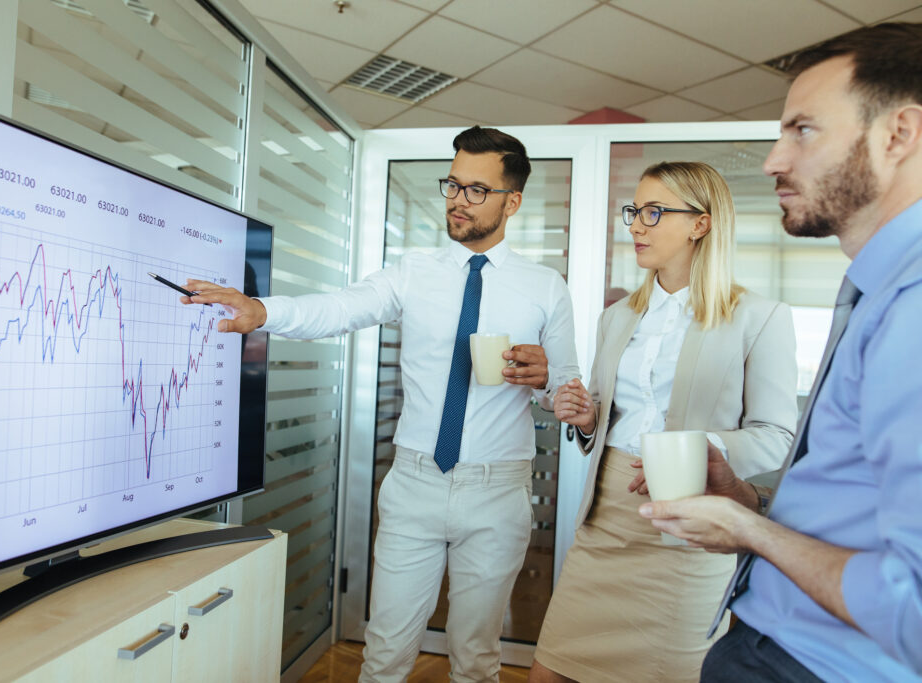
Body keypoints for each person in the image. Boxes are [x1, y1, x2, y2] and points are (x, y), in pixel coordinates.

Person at [182, 126, 579, 682]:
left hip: (497, 492)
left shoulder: (546, 287)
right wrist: (263, 311)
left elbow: (568, 389)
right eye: (453, 185)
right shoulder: (413, 272)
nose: (458, 200)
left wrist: (544, 383)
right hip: (415, 482)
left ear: (511, 201)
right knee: (385, 655)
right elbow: (341, 308)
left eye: (476, 190)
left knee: (477, 657)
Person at [639, 22, 922, 682]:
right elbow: (856, 501)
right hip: (775, 641)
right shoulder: (877, 288)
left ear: (900, 134)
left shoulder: (913, 304)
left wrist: (748, 530)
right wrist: (750, 502)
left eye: (803, 130)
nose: (773, 160)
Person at [530, 161, 797, 683]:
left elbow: (777, 436)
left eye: (654, 212)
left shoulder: (759, 317)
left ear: (700, 223)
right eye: (634, 212)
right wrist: (587, 418)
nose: (635, 225)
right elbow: (609, 417)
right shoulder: (617, 317)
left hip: (691, 538)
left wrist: (695, 448)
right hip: (605, 525)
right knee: (547, 674)